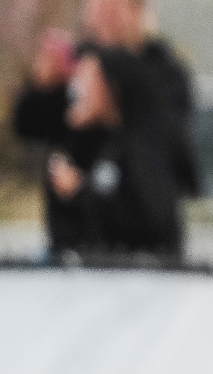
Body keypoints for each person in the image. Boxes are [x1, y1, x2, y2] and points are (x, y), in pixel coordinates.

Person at [12, 0, 198, 260]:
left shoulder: (161, 70)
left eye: (112, 5)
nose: (103, 15)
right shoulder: (77, 65)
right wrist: (42, 86)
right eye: (95, 5)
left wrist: (81, 191)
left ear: (138, 11)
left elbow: (150, 206)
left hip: (134, 254)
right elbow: (28, 127)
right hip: (72, 242)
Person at [38, 44, 185, 261]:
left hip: (144, 284)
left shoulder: (144, 146)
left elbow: (151, 226)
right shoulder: (96, 142)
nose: (77, 87)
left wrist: (80, 192)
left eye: (88, 77)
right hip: (99, 281)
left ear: (112, 86)